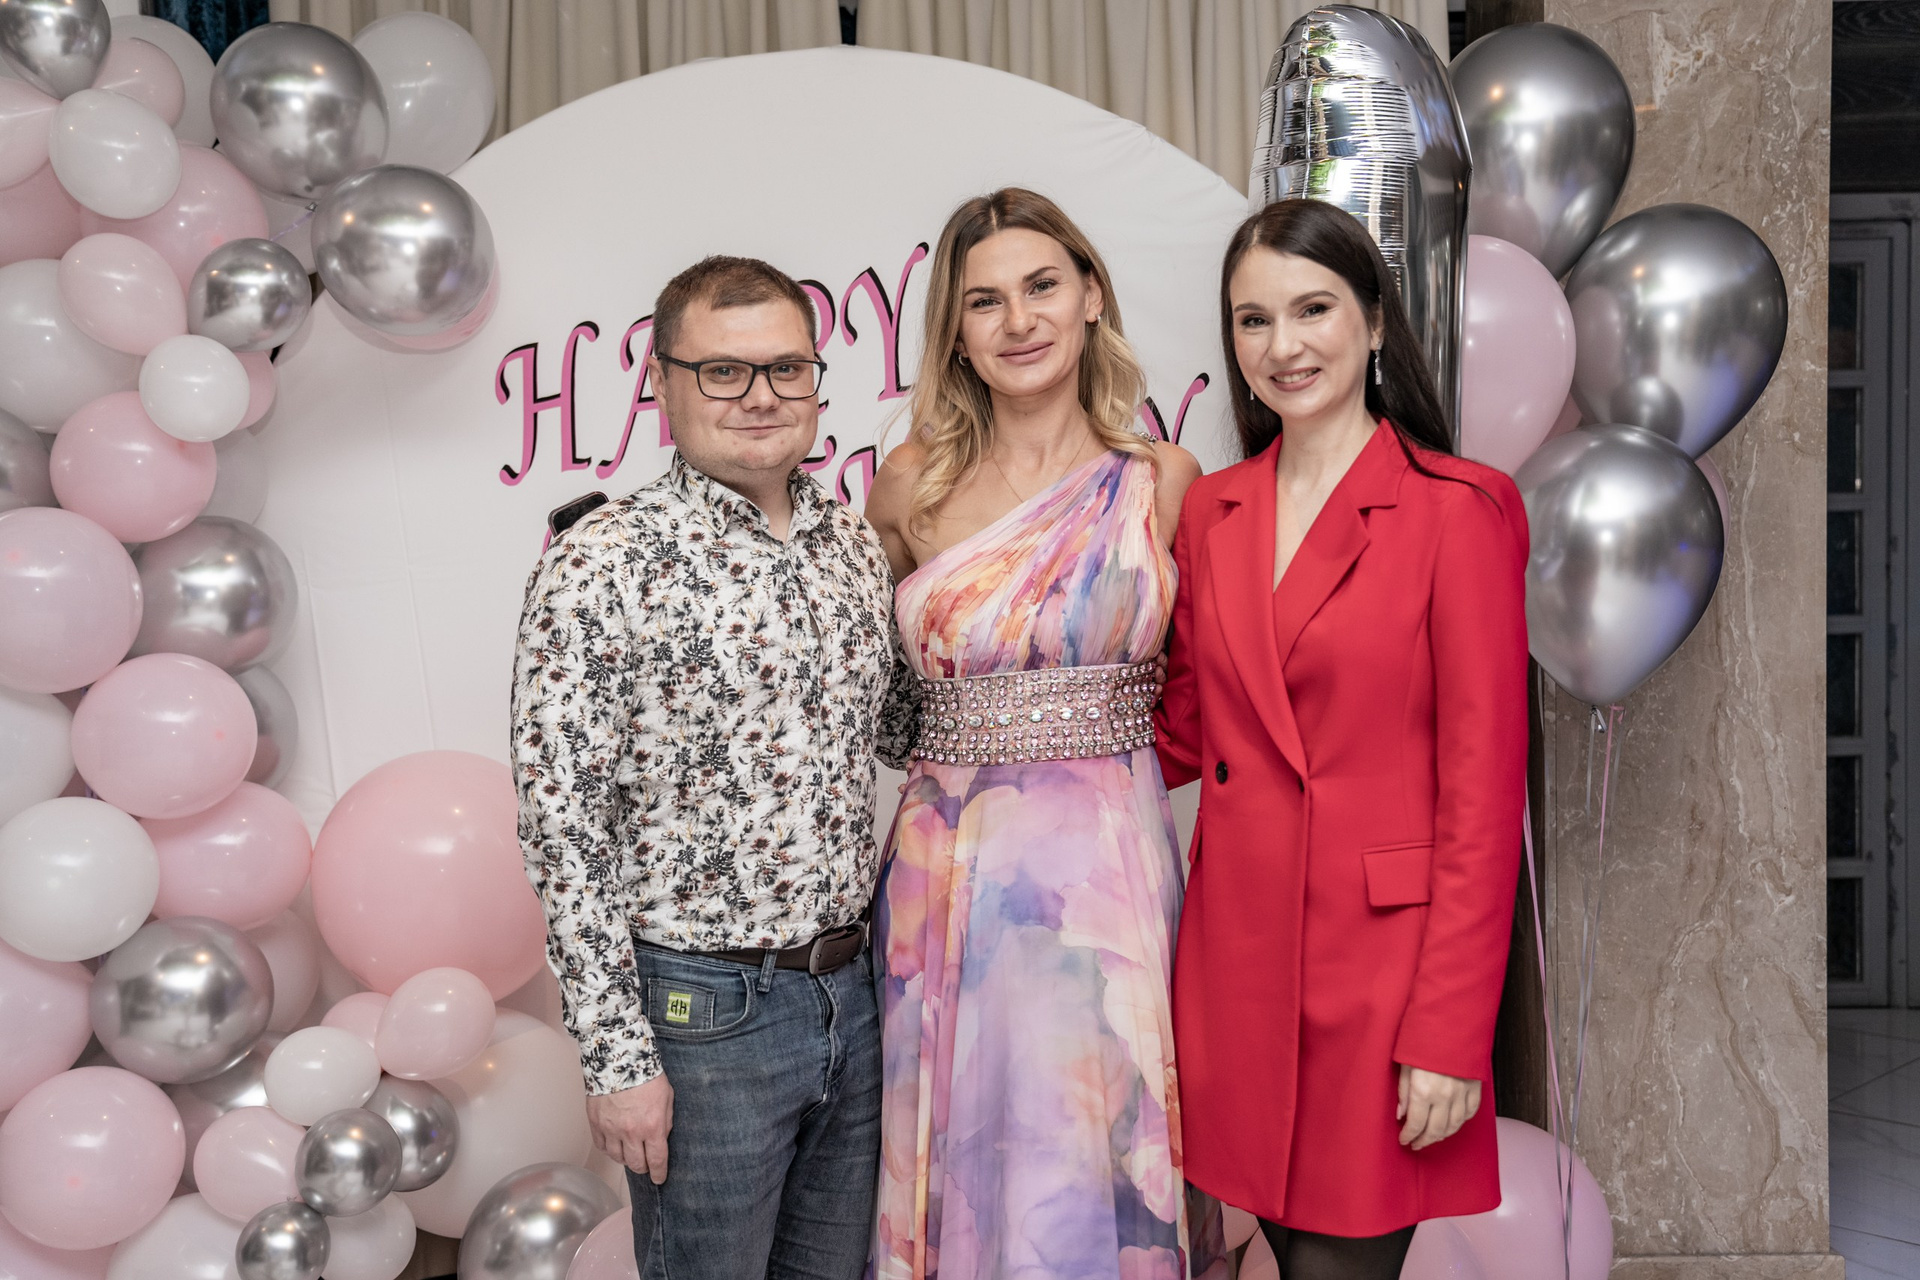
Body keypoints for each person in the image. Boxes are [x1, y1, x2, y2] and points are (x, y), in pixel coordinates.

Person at [511, 255, 917, 1280]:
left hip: (853, 993)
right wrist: (616, 1057)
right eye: (724, 372)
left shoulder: (851, 544)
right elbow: (562, 822)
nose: (761, 396)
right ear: (662, 380)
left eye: (786, 368)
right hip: (705, 1014)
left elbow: (900, 731)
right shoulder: (603, 559)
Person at [1154, 197, 1529, 1278]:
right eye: (1253, 319)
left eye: (1312, 309)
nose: (1283, 345)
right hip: (1234, 965)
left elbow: (1482, 797)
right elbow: (1183, 729)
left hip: (1383, 982)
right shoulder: (1213, 511)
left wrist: (1450, 1032)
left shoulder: (1459, 510)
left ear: (1375, 321)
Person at [862, 188, 1222, 1280]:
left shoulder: (1162, 482)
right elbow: (872, 698)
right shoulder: (908, 486)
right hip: (945, 880)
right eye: (985, 301)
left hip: (1109, 878)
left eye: (1042, 286)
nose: (1018, 320)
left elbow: (1211, 694)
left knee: (1099, 1147)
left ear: (1091, 296)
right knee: (961, 1160)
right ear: (955, 332)